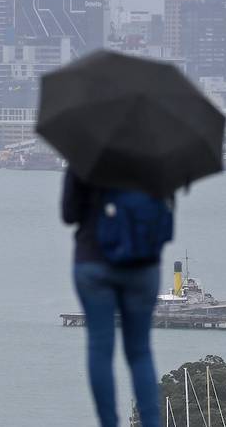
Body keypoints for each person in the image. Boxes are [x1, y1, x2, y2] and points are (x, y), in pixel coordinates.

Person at [61, 171, 165, 427]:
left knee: (100, 346)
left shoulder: (87, 154)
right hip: (142, 264)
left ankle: (108, 423)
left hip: (92, 261)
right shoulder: (156, 153)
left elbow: (69, 214)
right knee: (140, 351)